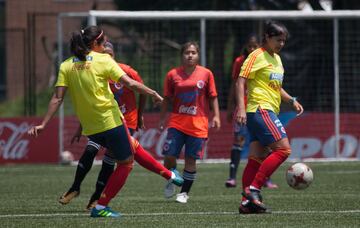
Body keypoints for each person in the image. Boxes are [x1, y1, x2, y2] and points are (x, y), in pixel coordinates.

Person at [28, 26, 168, 218]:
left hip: (91, 129)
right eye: (103, 43)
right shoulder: (103, 60)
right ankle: (100, 206)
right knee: (126, 163)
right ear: (95, 44)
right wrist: (153, 93)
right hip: (110, 122)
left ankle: (86, 193)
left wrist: (43, 124)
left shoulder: (66, 65)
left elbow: (57, 98)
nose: (105, 47)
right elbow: (131, 84)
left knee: (107, 154)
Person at [59, 41, 183, 211]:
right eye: (104, 54)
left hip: (124, 121)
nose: (106, 57)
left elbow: (139, 88)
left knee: (114, 160)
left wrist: (140, 115)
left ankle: (96, 201)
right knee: (94, 150)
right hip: (102, 122)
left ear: (113, 56)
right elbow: (90, 103)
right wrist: (81, 127)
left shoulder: (126, 71)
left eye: (109, 55)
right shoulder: (92, 70)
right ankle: (79, 190)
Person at [234, 21, 304, 213]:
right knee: (283, 150)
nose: (281, 44)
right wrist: (241, 107)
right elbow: (241, 81)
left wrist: (291, 100)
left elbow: (276, 87)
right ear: (266, 36)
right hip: (259, 109)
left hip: (268, 110)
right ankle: (254, 190)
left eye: (283, 41)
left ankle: (246, 203)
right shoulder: (256, 56)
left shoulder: (277, 59)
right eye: (277, 39)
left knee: (256, 157)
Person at [159, 41, 221, 203]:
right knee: (170, 155)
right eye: (187, 52)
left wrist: (216, 116)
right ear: (181, 56)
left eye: (193, 52)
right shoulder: (172, 75)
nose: (190, 55)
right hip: (177, 122)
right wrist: (162, 118)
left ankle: (184, 193)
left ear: (198, 55)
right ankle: (171, 179)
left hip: (198, 125)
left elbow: (213, 96)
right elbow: (166, 98)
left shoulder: (206, 74)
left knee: (190, 160)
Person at [225, 35, 278, 189]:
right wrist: (230, 107)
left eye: (255, 46)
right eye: (250, 46)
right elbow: (235, 84)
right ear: (246, 47)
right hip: (243, 109)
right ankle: (232, 177)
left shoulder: (266, 60)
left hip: (261, 110)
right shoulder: (240, 62)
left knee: (266, 145)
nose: (252, 49)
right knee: (239, 141)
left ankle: (266, 179)